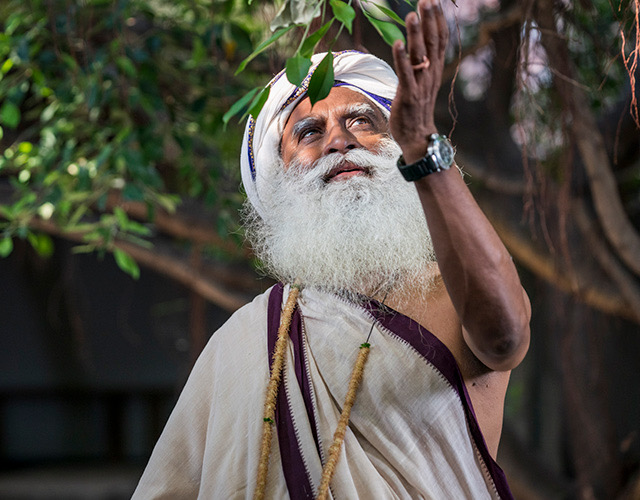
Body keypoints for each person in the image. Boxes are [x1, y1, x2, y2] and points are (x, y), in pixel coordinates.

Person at [133, 0, 530, 498]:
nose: (339, 141)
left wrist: (423, 145)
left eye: (363, 120)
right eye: (309, 132)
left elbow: (505, 338)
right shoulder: (250, 339)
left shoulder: (455, 291)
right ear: (278, 181)